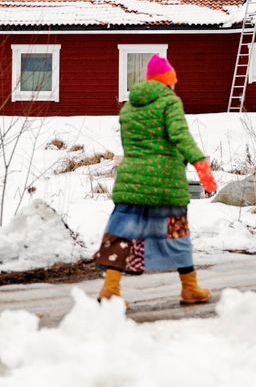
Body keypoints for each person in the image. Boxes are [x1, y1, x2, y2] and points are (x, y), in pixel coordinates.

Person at [93, 53, 218, 306]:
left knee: (121, 234)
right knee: (177, 234)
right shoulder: (169, 102)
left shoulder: (129, 107)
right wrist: (200, 164)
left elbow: (130, 145)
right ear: (168, 82)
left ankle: (110, 290)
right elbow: (180, 136)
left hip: (131, 183)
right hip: (165, 183)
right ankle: (189, 288)